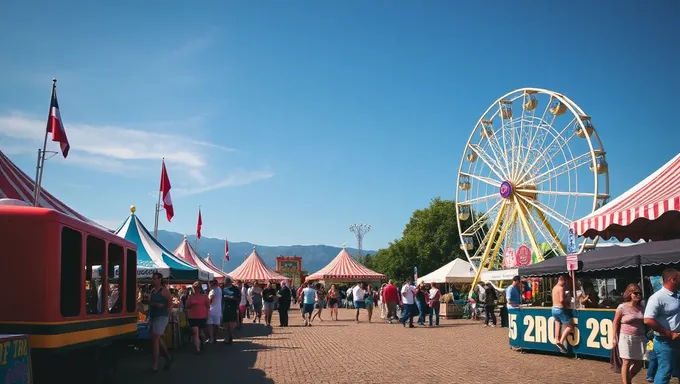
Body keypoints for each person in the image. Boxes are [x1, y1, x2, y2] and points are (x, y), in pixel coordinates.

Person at [644, 269, 680, 384]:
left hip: (677, 340)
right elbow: (648, 319)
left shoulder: (677, 296)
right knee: (665, 373)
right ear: (672, 280)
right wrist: (669, 333)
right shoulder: (657, 297)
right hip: (665, 342)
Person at [612, 283, 645, 384]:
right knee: (626, 361)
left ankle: (627, 379)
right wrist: (614, 337)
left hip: (640, 338)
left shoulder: (642, 307)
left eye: (639, 293)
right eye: (636, 293)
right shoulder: (622, 307)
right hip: (625, 337)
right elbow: (615, 322)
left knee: (639, 363)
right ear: (630, 294)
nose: (638, 295)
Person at [147, 273, 173, 372]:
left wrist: (168, 315)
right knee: (157, 339)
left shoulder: (164, 291)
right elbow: (150, 304)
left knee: (155, 340)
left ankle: (155, 365)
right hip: (153, 316)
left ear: (159, 279)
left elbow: (170, 304)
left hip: (162, 317)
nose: (153, 280)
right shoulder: (153, 291)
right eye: (152, 278)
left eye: (154, 278)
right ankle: (168, 357)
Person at [551, 275, 574, 354]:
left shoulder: (554, 287)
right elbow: (561, 300)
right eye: (565, 281)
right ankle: (561, 341)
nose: (565, 283)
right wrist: (567, 301)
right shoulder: (561, 288)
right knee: (570, 326)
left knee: (558, 324)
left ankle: (557, 339)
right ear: (562, 280)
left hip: (553, 309)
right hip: (559, 309)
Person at [185, 282, 209, 354]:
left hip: (202, 316)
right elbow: (187, 306)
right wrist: (190, 303)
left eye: (197, 288)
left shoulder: (204, 296)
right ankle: (197, 349)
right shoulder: (190, 296)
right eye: (194, 288)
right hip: (193, 316)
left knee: (200, 332)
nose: (196, 289)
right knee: (195, 332)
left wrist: (207, 316)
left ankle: (202, 342)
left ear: (200, 288)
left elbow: (208, 306)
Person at [222, 277, 240, 344]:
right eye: (225, 282)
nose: (225, 284)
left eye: (226, 282)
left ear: (229, 282)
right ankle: (228, 336)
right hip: (226, 307)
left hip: (233, 307)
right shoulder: (224, 289)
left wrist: (232, 298)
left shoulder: (235, 289)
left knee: (232, 323)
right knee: (226, 324)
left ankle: (230, 337)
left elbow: (238, 298)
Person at [206, 279, 222, 344]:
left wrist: (206, 305)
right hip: (217, 310)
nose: (209, 285)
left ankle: (211, 338)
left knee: (210, 324)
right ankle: (214, 337)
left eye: (209, 284)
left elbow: (210, 301)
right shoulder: (219, 289)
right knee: (216, 325)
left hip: (211, 310)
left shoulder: (213, 291)